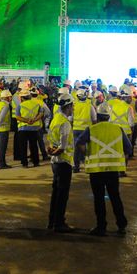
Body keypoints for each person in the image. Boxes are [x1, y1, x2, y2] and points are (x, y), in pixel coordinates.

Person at [75, 107, 132, 237]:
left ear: (98, 117)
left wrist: (86, 153)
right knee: (115, 197)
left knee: (99, 199)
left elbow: (79, 143)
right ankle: (121, 225)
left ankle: (101, 227)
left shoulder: (91, 129)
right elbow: (128, 149)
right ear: (108, 117)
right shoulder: (118, 129)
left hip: (96, 170)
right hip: (113, 170)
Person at [47, 94, 75, 233]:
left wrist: (50, 151)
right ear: (68, 106)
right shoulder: (65, 123)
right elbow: (62, 147)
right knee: (62, 195)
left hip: (55, 163)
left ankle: (52, 220)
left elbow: (50, 140)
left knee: (56, 193)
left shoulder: (55, 119)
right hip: (64, 162)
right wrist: (54, 152)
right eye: (72, 106)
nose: (73, 108)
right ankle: (59, 223)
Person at [15, 87, 43, 168]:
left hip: (23, 128)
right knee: (34, 146)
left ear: (22, 97)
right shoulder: (37, 104)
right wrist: (34, 120)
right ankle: (36, 162)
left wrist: (27, 121)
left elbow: (18, 117)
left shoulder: (19, 106)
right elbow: (41, 114)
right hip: (34, 128)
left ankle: (25, 163)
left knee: (23, 147)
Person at [71, 86, 96, 173]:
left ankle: (76, 167)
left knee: (76, 149)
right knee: (87, 148)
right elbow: (94, 119)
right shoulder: (90, 106)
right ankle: (88, 166)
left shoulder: (74, 106)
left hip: (76, 129)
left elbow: (70, 118)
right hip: (87, 130)